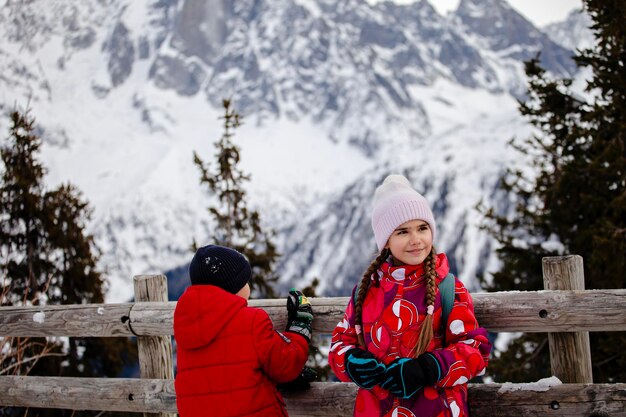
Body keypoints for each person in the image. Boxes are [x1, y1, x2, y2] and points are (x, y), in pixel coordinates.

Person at [328, 175, 492, 417]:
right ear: (385, 242)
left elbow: (476, 351)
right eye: (403, 232)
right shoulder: (367, 291)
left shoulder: (447, 287)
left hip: (435, 410)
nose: (416, 240)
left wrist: (428, 368)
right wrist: (351, 361)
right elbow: (340, 344)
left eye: (422, 228)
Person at [174, 244, 314, 417]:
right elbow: (286, 363)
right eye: (246, 281)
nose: (249, 286)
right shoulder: (252, 321)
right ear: (234, 287)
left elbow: (228, 372)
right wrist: (299, 325)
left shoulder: (186, 325)